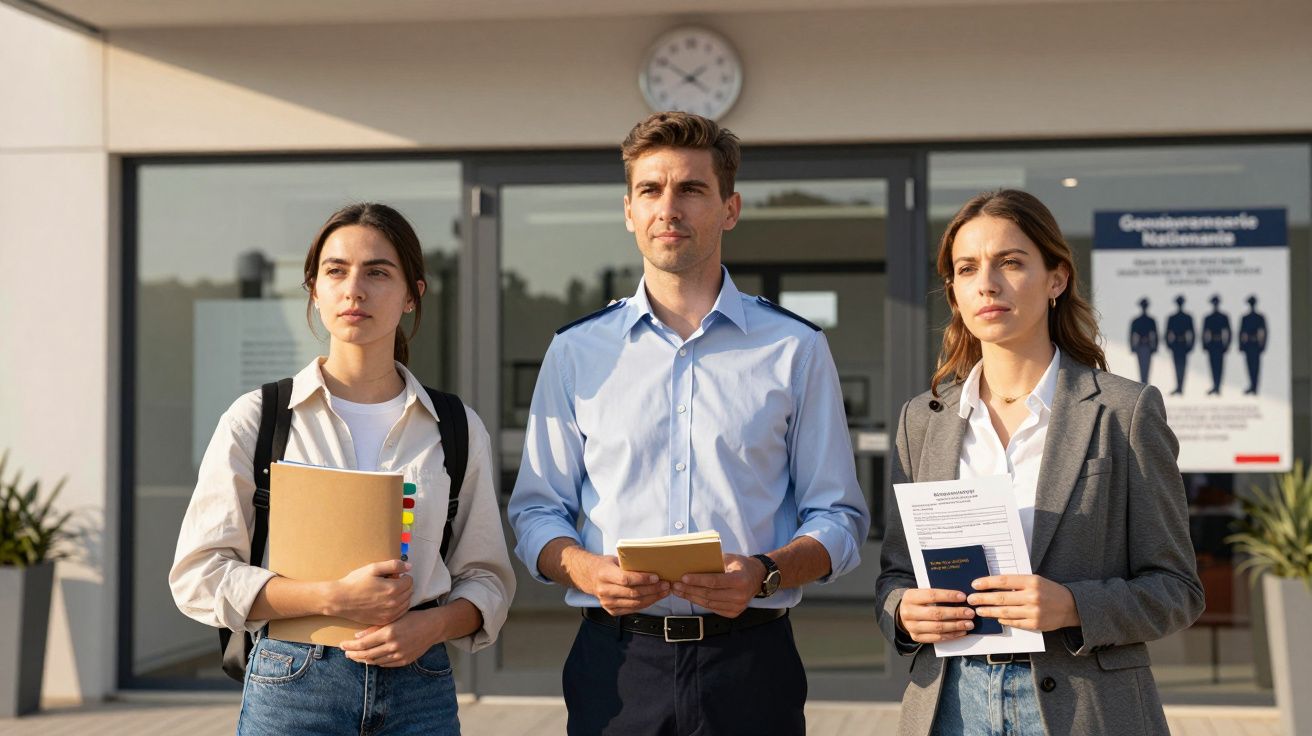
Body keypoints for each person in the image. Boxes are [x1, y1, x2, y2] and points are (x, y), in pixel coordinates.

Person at [507, 111, 870, 736]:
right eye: (650, 190)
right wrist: (585, 569)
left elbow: (839, 517)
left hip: (751, 665)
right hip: (615, 667)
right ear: (629, 211)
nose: (668, 209)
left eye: (691, 189)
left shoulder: (796, 349)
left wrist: (765, 572)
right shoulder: (575, 352)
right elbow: (536, 511)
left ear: (730, 209)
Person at [170, 203, 515, 735]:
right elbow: (200, 572)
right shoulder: (259, 418)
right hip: (293, 684)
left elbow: (486, 579)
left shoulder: (454, 426)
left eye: (377, 272)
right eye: (336, 271)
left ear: (412, 295)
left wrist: (430, 627)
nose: (354, 290)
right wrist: (331, 597)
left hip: (419, 685)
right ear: (314, 290)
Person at [876, 189, 1204, 736]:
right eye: (967, 268)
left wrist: (1073, 605)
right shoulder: (922, 419)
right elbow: (896, 575)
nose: (987, 283)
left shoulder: (1123, 412)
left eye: (1010, 262)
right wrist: (905, 612)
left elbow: (1177, 590)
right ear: (954, 292)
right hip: (949, 704)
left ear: (1057, 279)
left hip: (1085, 708)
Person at [1165, 294, 1195, 395]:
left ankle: (1180, 387)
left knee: (1182, 366)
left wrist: (1190, 345)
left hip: (1182, 344)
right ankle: (1179, 386)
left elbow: (1192, 332)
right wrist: (1169, 344)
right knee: (1177, 366)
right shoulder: (1173, 318)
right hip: (1177, 344)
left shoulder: (1186, 317)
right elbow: (1167, 332)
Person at [1201, 295, 1231, 396]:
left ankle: (1217, 386)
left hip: (1219, 344)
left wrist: (1226, 345)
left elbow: (1228, 332)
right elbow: (1204, 332)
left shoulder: (1223, 317)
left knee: (1219, 366)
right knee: (1213, 366)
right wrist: (1205, 345)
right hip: (1212, 344)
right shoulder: (1208, 318)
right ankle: (1215, 385)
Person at [1239, 294, 1267, 395]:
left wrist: (1262, 345)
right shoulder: (1245, 318)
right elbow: (1241, 332)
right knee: (1249, 366)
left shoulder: (1259, 317)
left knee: (1256, 366)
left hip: (1256, 344)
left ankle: (1255, 387)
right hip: (1248, 344)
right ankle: (1252, 385)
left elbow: (1264, 332)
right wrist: (1242, 345)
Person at [1129, 297, 1158, 384]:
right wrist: (1133, 347)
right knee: (1142, 366)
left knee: (1146, 367)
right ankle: (1143, 382)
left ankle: (1144, 382)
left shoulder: (1149, 321)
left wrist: (1154, 347)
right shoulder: (1140, 321)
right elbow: (1131, 335)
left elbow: (1155, 335)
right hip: (1141, 346)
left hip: (1147, 346)